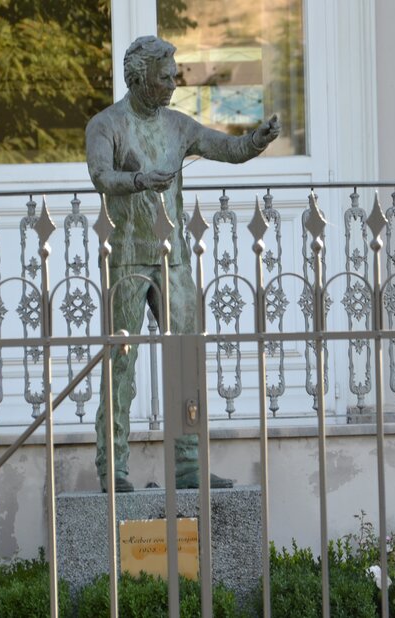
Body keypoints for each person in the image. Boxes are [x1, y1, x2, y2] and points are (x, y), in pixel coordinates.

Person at [85, 35, 280, 492]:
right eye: (165, 75)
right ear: (140, 77)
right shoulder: (106, 124)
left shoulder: (177, 125)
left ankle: (189, 466)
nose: (174, 81)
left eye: (175, 74)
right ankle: (112, 467)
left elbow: (226, 149)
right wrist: (138, 180)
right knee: (121, 363)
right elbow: (99, 176)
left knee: (185, 360)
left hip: (172, 258)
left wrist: (257, 140)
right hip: (128, 257)